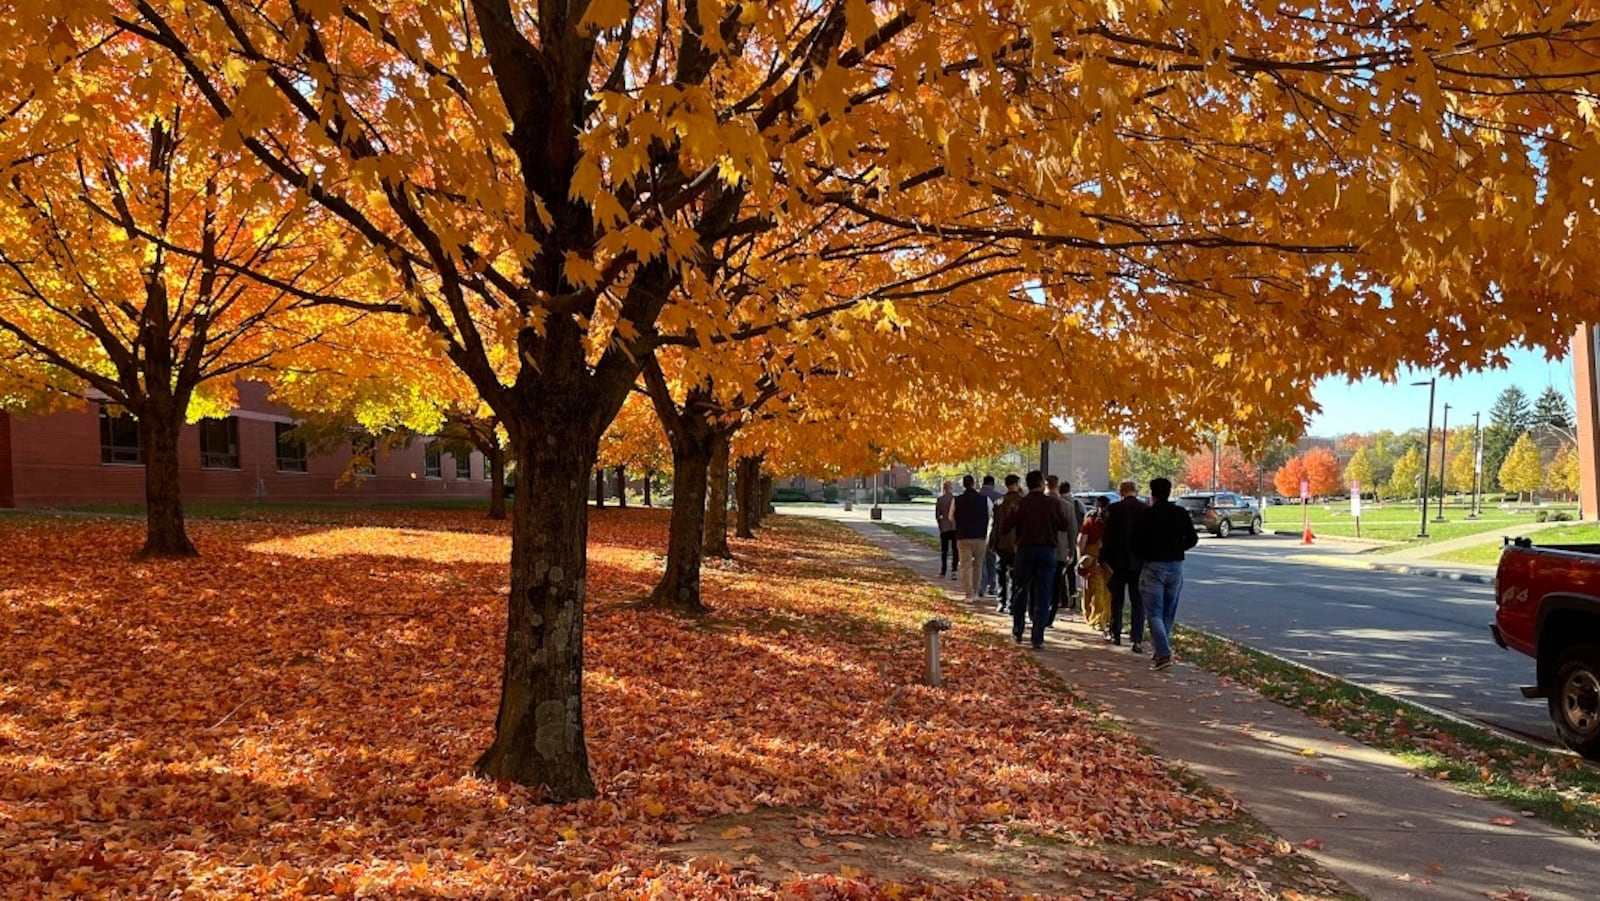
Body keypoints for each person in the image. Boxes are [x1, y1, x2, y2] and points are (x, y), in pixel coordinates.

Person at [1131, 477, 1198, 671]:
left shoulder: (1147, 515)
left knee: (1154, 612)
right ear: (1169, 492)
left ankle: (1163, 652)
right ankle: (1161, 648)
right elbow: (1192, 538)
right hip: (1176, 566)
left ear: (1152, 493)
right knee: (1168, 611)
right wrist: (1179, 548)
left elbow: (1135, 542)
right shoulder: (1180, 513)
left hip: (1153, 565)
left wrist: (1144, 556)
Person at [1002, 470, 1069, 648]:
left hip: (1024, 550)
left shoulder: (1020, 504)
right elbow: (1064, 525)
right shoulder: (1053, 504)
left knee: (1020, 590)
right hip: (1047, 550)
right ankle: (1037, 637)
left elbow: (1006, 526)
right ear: (1041, 484)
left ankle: (1018, 630)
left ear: (1027, 484)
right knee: (1043, 593)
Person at [1101, 480, 1148, 652]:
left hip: (1117, 562)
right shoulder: (1144, 509)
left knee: (1117, 599)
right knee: (1137, 601)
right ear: (1135, 491)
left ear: (1121, 492)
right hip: (1138, 562)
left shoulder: (1114, 510)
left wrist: (1103, 559)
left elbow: (1107, 537)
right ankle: (1137, 638)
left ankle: (1116, 633)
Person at [1044, 475, 1080, 625]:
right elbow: (1073, 530)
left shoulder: (1037, 503)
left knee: (1038, 582)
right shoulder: (1067, 506)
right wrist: (1071, 550)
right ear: (1057, 486)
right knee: (1055, 583)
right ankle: (1050, 617)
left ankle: (1036, 612)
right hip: (1059, 550)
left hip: (1039, 547)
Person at [988, 474, 1024, 613]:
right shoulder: (1022, 501)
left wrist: (992, 541)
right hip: (1017, 544)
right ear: (1017, 483)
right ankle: (1012, 603)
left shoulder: (999, 502)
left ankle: (1001, 601)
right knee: (1015, 575)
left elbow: (995, 525)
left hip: (1001, 542)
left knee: (1000, 573)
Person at [1077, 495, 1113, 633]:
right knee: (1107, 591)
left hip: (1092, 559)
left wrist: (1081, 559)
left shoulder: (1090, 521)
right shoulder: (1112, 522)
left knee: (1093, 589)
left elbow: (1081, 541)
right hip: (1109, 560)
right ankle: (1105, 618)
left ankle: (1094, 617)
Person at [953, 475, 990, 600]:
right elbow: (990, 514)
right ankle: (975, 591)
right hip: (980, 536)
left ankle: (968, 594)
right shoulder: (984, 499)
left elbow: (951, 517)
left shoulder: (957, 500)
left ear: (963, 484)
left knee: (965, 565)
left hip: (963, 536)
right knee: (978, 565)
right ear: (973, 483)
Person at [977, 475, 1005, 597]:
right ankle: (993, 585)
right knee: (992, 560)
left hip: (978, 532)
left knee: (980, 561)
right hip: (993, 532)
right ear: (993, 484)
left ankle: (982, 586)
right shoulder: (999, 497)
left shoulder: (977, 496)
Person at [935, 481, 958, 579]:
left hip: (944, 527)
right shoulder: (955, 499)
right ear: (951, 488)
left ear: (944, 488)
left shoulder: (940, 500)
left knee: (944, 551)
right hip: (954, 527)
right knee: (955, 550)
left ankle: (943, 571)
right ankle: (954, 571)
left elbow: (937, 515)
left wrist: (940, 525)